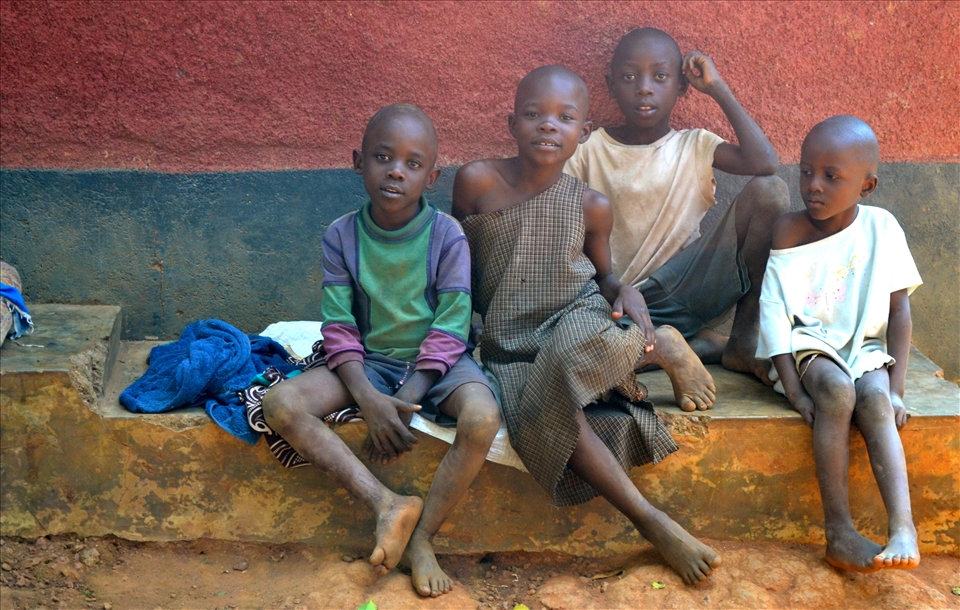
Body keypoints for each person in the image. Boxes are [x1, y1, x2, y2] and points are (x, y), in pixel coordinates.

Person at [453, 65, 721, 585]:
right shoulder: (476, 181)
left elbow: (604, 278)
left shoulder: (591, 205)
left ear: (582, 132)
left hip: (574, 317)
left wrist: (626, 290)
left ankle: (652, 520)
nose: (548, 126)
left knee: (560, 372)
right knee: (542, 401)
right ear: (511, 123)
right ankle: (651, 350)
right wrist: (456, 336)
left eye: (564, 118)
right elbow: (458, 265)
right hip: (511, 340)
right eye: (534, 115)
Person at [260, 104, 502, 597]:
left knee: (481, 419)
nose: (396, 170)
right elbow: (340, 326)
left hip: (440, 365)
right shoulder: (342, 235)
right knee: (279, 403)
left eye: (414, 164)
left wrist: (408, 399)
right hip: (368, 362)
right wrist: (368, 398)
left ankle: (423, 539)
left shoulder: (446, 235)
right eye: (383, 156)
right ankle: (386, 503)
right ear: (357, 162)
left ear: (432, 177)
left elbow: (454, 323)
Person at [565, 27, 791, 410]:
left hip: (685, 288)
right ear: (611, 85)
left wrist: (717, 88)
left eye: (661, 76)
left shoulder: (694, 144)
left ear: (682, 87)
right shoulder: (589, 149)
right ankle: (684, 345)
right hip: (614, 302)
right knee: (568, 364)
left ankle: (743, 338)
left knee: (771, 191)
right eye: (629, 77)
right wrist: (612, 288)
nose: (644, 88)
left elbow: (765, 163)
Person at [756, 116, 921, 572]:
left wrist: (896, 388)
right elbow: (772, 313)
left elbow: (899, 312)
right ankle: (840, 532)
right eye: (806, 171)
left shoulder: (882, 228)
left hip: (864, 346)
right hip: (809, 342)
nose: (814, 185)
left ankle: (903, 526)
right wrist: (791, 387)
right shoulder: (789, 230)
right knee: (836, 392)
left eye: (831, 177)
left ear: (866, 186)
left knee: (873, 399)